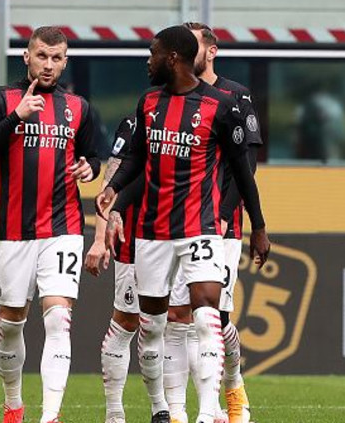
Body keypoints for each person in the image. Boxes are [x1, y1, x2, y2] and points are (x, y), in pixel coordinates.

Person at [97, 25, 270, 423]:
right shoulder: (148, 103)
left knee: (207, 315)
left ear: (172, 58)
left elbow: (243, 170)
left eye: (153, 53)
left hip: (201, 227)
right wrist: (114, 191)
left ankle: (207, 413)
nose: (148, 60)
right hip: (153, 231)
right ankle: (167, 409)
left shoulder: (222, 105)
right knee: (154, 327)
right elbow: (138, 159)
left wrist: (257, 225)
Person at [0, 26, 100, 423]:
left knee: (58, 318)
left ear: (65, 62)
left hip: (64, 227)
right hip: (14, 231)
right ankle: (13, 405)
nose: (48, 64)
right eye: (41, 56)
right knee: (11, 324)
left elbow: (94, 156)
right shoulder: (1, 99)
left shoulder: (78, 107)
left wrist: (89, 168)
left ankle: (51, 415)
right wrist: (16, 117)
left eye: (56, 58)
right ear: (26, 57)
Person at [162, 22, 265, 423]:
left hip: (220, 223)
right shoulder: (168, 96)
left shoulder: (235, 95)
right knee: (178, 316)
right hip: (175, 224)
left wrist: (225, 214)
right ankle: (188, 410)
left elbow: (246, 164)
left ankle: (234, 385)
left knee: (216, 317)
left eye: (195, 45)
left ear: (211, 51)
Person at [85, 114, 158, 423]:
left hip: (183, 231)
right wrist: (99, 239)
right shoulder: (134, 124)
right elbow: (111, 180)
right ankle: (114, 413)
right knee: (127, 320)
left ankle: (171, 410)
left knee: (183, 324)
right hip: (134, 236)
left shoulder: (204, 113)